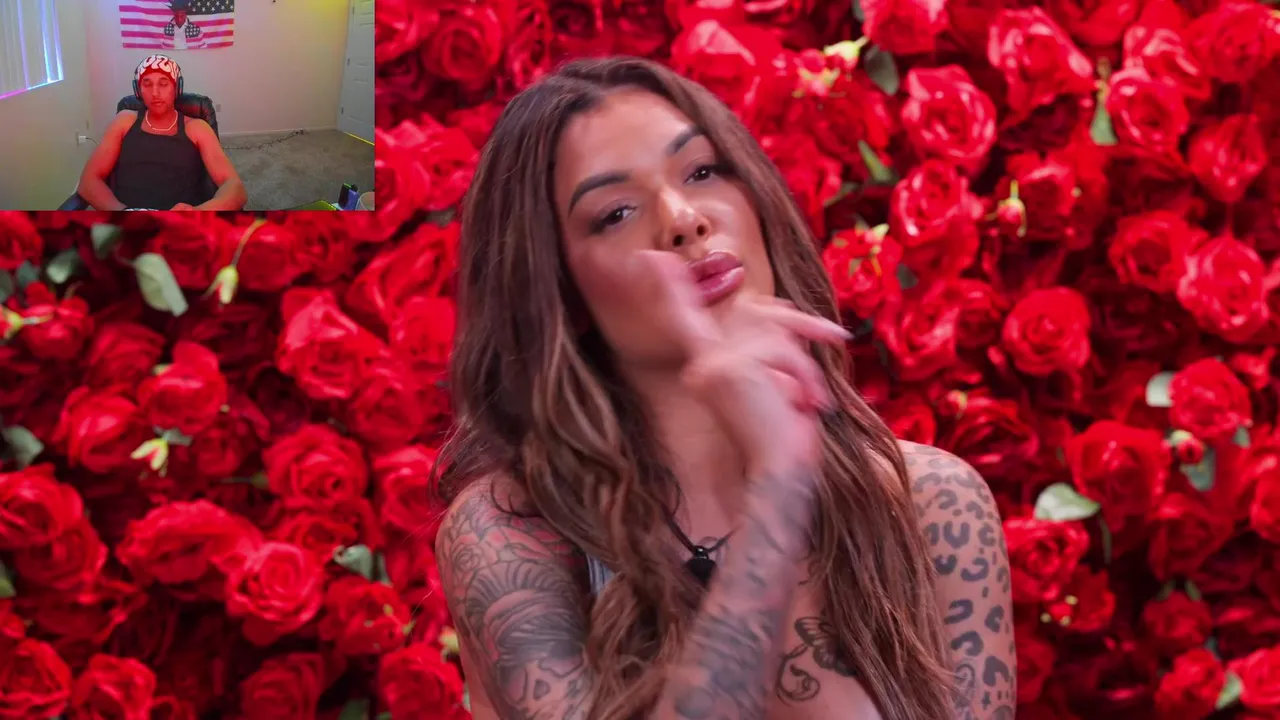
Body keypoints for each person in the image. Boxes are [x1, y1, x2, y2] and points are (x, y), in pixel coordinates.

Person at [433, 56, 1016, 720]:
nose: (683, 219)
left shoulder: (935, 505)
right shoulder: (511, 536)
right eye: (616, 212)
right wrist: (777, 489)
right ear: (558, 291)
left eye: (704, 172)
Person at [75, 55, 245, 211]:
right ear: (138, 90)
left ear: (176, 88)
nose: (155, 93)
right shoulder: (124, 121)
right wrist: (124, 212)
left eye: (163, 84)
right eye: (147, 84)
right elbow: (89, 182)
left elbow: (235, 188)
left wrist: (196, 212)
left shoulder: (197, 128)